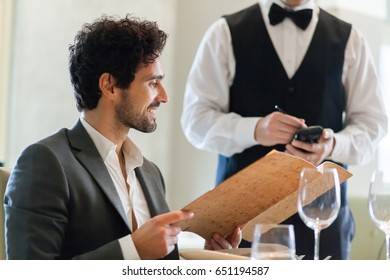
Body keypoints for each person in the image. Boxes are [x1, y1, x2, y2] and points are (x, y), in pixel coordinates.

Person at [4, 14, 241, 260]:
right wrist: (131, 251)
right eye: (152, 83)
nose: (164, 97)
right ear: (110, 86)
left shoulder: (150, 174)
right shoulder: (45, 162)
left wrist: (212, 258)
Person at [181, 0, 388, 260]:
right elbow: (194, 120)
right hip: (238, 225)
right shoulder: (224, 32)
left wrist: (332, 145)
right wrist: (254, 129)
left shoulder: (351, 39)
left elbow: (374, 124)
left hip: (324, 220)